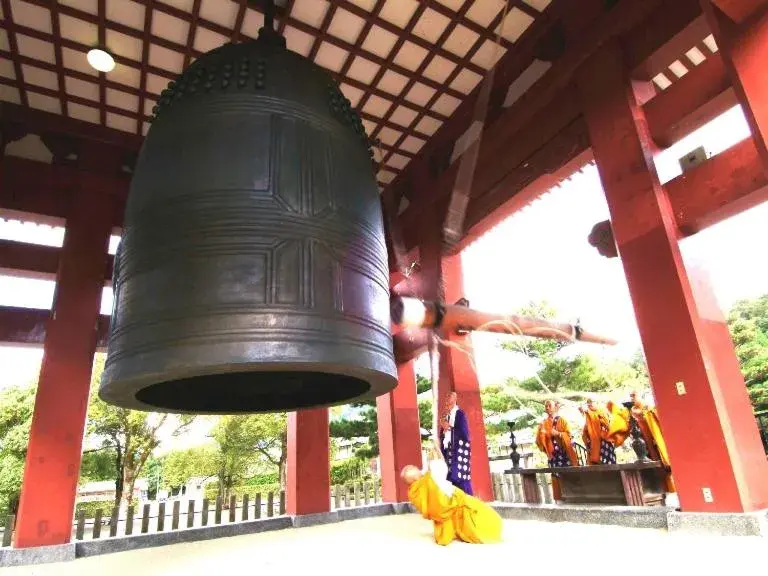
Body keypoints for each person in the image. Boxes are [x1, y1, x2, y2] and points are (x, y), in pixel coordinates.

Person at [401, 446, 503, 546]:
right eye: (415, 470)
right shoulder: (429, 480)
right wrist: (437, 453)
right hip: (451, 500)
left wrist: (433, 458)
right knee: (475, 513)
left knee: (453, 521)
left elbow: (428, 472)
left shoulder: (413, 491)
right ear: (415, 477)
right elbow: (440, 470)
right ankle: (486, 531)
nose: (419, 470)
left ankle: (450, 533)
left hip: (442, 509)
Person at [628, 390, 676, 492]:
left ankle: (672, 489)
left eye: (634, 396)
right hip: (644, 443)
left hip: (655, 439)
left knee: (665, 467)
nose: (632, 399)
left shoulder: (648, 408)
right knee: (653, 468)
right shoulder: (631, 411)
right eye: (631, 397)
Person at [535, 400, 579, 501]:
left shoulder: (562, 420)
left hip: (565, 453)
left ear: (556, 407)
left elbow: (569, 435)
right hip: (553, 455)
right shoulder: (543, 424)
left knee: (569, 474)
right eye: (546, 406)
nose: (547, 408)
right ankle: (559, 499)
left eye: (549, 405)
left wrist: (559, 434)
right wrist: (543, 435)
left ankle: (574, 497)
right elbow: (538, 441)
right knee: (556, 476)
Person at [438, 392, 473, 495]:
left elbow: (464, 433)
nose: (447, 398)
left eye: (449, 396)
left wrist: (449, 428)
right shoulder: (446, 416)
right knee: (448, 478)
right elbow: (443, 435)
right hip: (447, 451)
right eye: (446, 396)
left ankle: (467, 501)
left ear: (455, 399)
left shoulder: (459, 414)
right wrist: (444, 429)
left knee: (459, 477)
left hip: (458, 451)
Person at [580, 397, 617, 465]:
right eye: (588, 402)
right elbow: (586, 428)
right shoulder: (588, 414)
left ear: (596, 403)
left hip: (603, 440)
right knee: (594, 462)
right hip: (592, 440)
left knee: (606, 461)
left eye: (591, 402)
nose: (589, 404)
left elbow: (607, 425)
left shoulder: (601, 411)